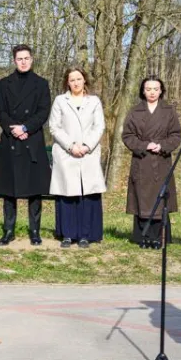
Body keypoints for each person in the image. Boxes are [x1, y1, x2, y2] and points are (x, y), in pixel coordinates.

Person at [0, 44, 51, 246]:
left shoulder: (42, 84)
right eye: (19, 59)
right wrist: (13, 129)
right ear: (14, 60)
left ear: (32, 59)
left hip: (32, 140)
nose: (23, 62)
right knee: (9, 189)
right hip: (10, 141)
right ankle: (8, 230)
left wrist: (25, 127)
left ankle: (35, 231)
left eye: (26, 58)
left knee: (34, 189)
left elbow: (43, 112)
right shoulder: (3, 84)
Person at [49, 67, 106, 248]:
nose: (76, 83)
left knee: (87, 195)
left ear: (84, 81)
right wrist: (71, 146)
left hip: (88, 154)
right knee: (67, 194)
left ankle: (85, 235)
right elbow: (54, 127)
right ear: (67, 82)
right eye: (72, 79)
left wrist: (87, 146)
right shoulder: (60, 101)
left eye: (79, 79)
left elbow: (99, 126)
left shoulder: (94, 101)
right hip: (67, 153)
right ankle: (67, 234)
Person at [121, 76, 181, 245]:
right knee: (142, 197)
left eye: (155, 89)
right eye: (148, 89)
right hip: (142, 161)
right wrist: (144, 145)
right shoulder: (135, 111)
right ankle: (142, 237)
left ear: (161, 90)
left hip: (161, 161)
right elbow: (127, 135)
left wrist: (162, 145)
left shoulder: (169, 111)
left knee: (160, 197)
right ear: (143, 90)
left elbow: (176, 134)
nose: (152, 92)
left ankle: (159, 237)